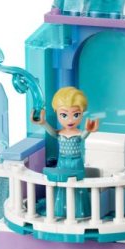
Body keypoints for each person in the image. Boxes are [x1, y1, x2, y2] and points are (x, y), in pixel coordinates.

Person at [32, 86, 100, 218]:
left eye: (76, 115)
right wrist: (43, 123)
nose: (70, 120)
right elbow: (52, 132)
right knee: (61, 185)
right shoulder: (60, 133)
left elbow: (83, 136)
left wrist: (89, 130)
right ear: (57, 113)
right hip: (62, 162)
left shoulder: (78, 133)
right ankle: (61, 211)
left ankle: (78, 211)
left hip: (76, 163)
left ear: (82, 113)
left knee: (77, 186)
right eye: (64, 115)